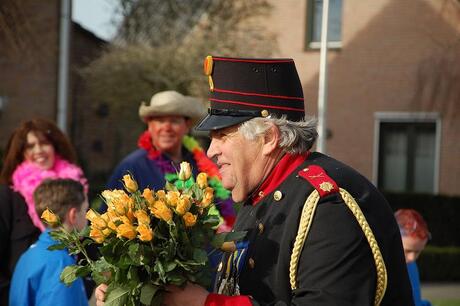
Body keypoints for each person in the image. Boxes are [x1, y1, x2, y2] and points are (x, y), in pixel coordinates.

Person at [96, 56, 414, 306]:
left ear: (268, 138)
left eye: (222, 136)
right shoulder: (262, 193)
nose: (212, 151)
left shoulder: (329, 206)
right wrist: (143, 288)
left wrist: (208, 305)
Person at [105, 90, 235, 230]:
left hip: (209, 249)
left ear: (186, 126)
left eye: (174, 121)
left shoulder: (201, 162)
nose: (167, 128)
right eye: (160, 121)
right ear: (150, 126)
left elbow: (221, 205)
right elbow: (110, 220)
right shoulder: (132, 166)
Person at [0, 118, 88, 304]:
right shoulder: (8, 196)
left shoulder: (75, 189)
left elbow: (89, 246)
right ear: (21, 153)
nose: (38, 150)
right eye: (30, 146)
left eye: (44, 143)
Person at [9, 178, 89, 306]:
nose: (88, 218)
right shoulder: (61, 264)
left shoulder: (30, 254)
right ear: (73, 215)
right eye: (86, 210)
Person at [395, 209, 432, 306]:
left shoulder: (410, 265)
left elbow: (415, 301)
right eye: (407, 250)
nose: (412, 258)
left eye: (418, 251)